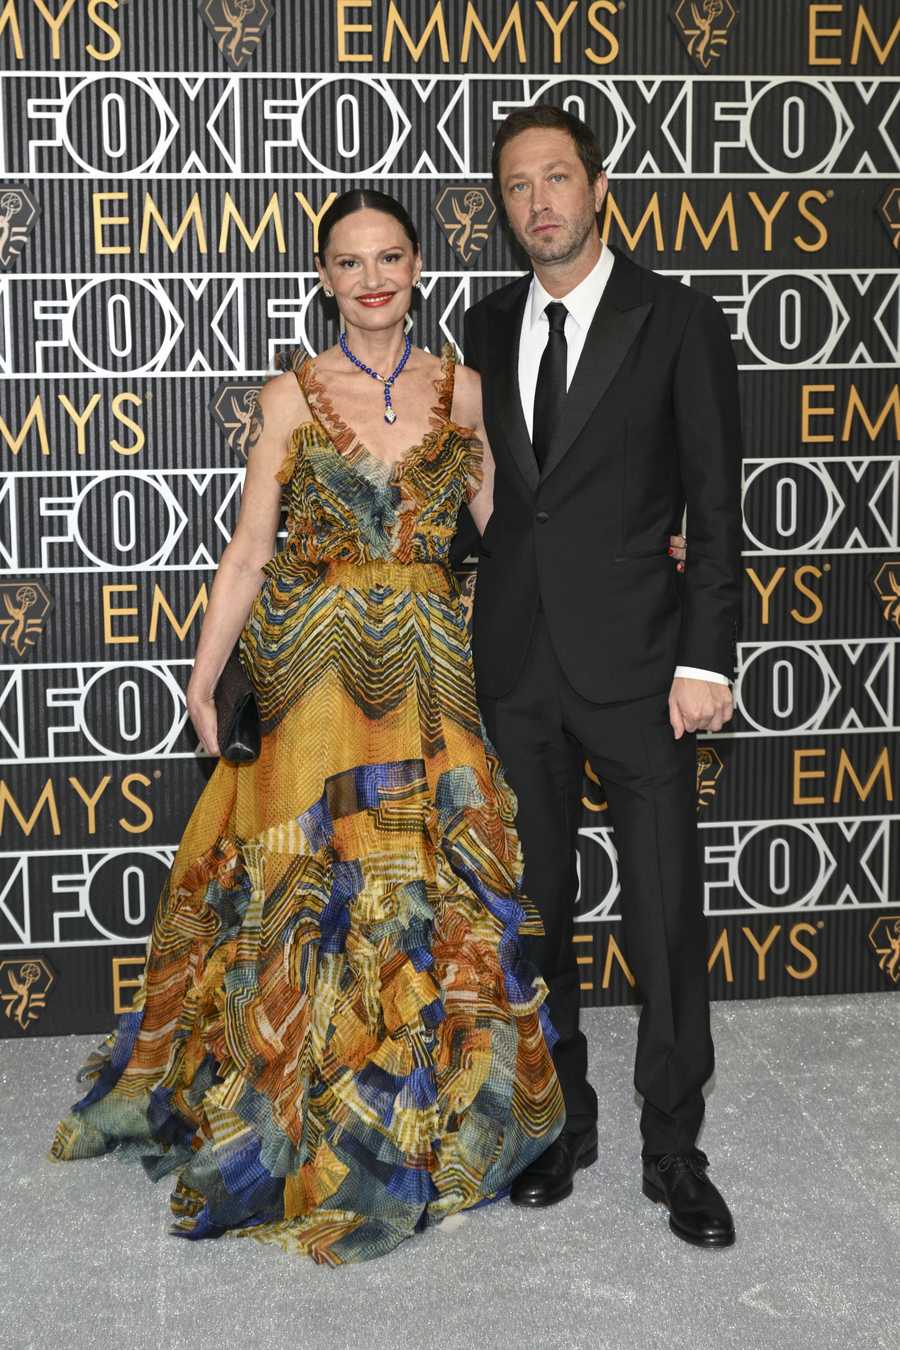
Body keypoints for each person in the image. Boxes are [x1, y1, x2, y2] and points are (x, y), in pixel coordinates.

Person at [48, 189, 569, 1265]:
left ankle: (415, 1112)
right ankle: (298, 1096)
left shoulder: (467, 391)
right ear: (325, 277)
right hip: (310, 663)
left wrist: (617, 572)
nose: (372, 277)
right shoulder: (289, 397)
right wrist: (203, 678)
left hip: (430, 662)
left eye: (389, 256)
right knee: (303, 890)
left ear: (419, 265)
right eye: (349, 261)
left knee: (429, 889)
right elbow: (248, 550)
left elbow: (508, 535)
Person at [462, 105, 742, 1248]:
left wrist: (706, 656)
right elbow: (487, 503)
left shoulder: (675, 318)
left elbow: (716, 510)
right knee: (539, 913)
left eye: (558, 179)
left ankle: (674, 1148)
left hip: (642, 666)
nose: (540, 203)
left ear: (600, 187)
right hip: (519, 665)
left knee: (665, 916)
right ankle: (560, 1121)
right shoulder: (482, 326)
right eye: (519, 187)